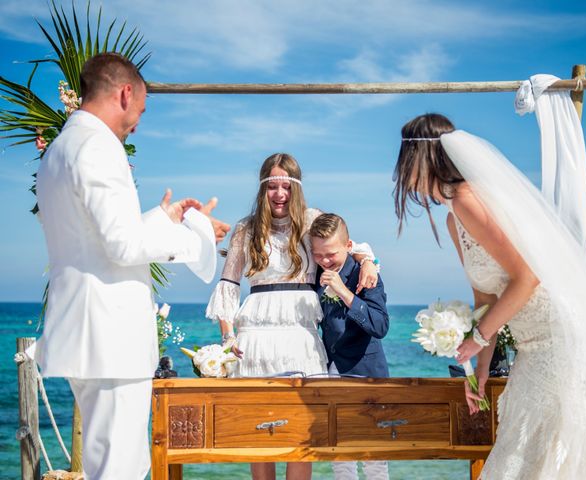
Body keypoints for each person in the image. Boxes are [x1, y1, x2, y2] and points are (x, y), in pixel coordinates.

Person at [392, 112, 586, 479]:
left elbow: (527, 277)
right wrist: (478, 373)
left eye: (404, 158)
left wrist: (476, 339)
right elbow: (485, 301)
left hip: (558, 338)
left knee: (543, 448)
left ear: (421, 158)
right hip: (531, 345)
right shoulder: (452, 217)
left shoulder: (467, 200)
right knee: (524, 444)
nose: (400, 169)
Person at [34, 52, 230, 479]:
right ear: (125, 93)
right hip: (111, 338)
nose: (138, 122)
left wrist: (166, 217)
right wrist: (191, 237)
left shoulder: (59, 151)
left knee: (110, 463)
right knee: (121, 468)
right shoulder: (100, 147)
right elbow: (122, 246)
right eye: (140, 110)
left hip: (84, 332)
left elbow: (96, 237)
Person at [206, 153, 379, 480]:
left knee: (303, 432)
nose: (279, 193)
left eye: (286, 186)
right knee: (259, 436)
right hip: (255, 337)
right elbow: (228, 286)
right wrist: (228, 339)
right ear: (263, 188)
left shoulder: (313, 218)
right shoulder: (245, 228)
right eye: (272, 186)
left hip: (302, 336)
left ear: (296, 187)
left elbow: (345, 244)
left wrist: (369, 261)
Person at [309, 213, 390, 480]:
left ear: (348, 245)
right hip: (331, 371)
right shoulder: (316, 271)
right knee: (339, 454)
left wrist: (345, 292)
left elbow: (380, 326)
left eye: (330, 254)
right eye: (318, 254)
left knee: (374, 455)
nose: (324, 260)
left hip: (366, 370)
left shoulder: (365, 273)